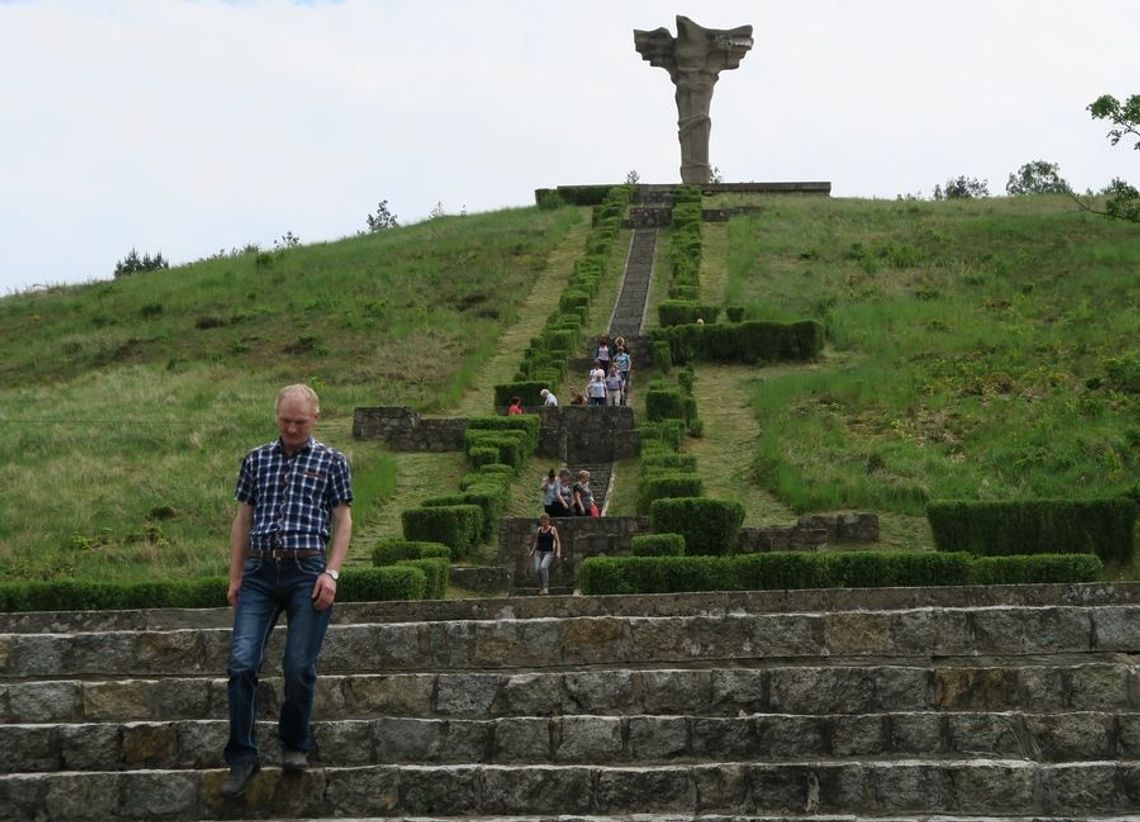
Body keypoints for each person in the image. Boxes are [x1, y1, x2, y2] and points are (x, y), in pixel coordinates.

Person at [222, 384, 353, 799]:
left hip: (307, 569)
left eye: (299, 421)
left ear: (315, 417)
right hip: (260, 571)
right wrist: (236, 575)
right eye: (285, 420)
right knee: (241, 664)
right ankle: (243, 756)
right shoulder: (256, 459)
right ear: (276, 415)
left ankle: (295, 743)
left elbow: (343, 521)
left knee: (298, 666)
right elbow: (243, 520)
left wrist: (332, 573)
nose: (292, 428)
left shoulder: (332, 461)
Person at [527, 512, 562, 594]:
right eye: (542, 522)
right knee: (537, 569)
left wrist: (558, 552)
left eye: (545, 522)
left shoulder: (552, 529)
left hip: (548, 552)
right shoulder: (539, 529)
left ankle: (545, 587)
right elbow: (536, 542)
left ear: (548, 521)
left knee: (543, 567)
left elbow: (557, 542)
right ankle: (541, 587)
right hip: (538, 552)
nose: (544, 524)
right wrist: (532, 552)